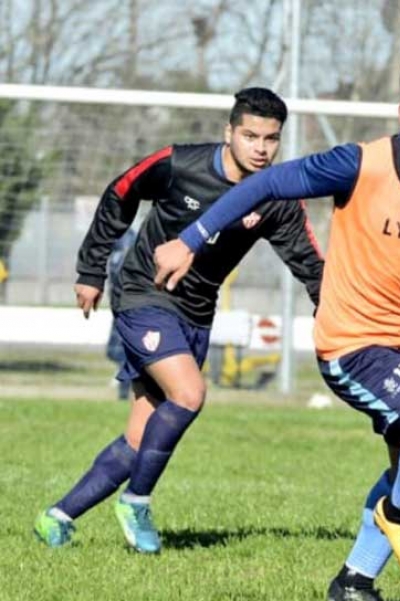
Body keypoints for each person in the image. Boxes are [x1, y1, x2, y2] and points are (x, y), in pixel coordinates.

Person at [152, 55, 400, 601]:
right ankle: (399, 518)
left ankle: (353, 583)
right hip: (352, 343)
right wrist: (192, 237)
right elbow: (268, 183)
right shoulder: (360, 164)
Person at [33, 88, 324, 553]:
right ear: (229, 132)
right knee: (189, 394)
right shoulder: (180, 164)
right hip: (143, 295)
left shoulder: (278, 197)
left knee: (139, 438)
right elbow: (120, 193)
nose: (261, 148)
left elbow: (308, 259)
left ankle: (59, 516)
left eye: (271, 138)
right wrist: (90, 271)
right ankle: (137, 501)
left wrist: (329, 306)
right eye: (250, 135)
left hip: (197, 312)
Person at [106, 226, 138, 400]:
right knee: (113, 351)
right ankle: (126, 374)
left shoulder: (126, 249)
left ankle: (124, 387)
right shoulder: (116, 254)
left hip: (129, 306)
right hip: (118, 306)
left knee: (122, 350)